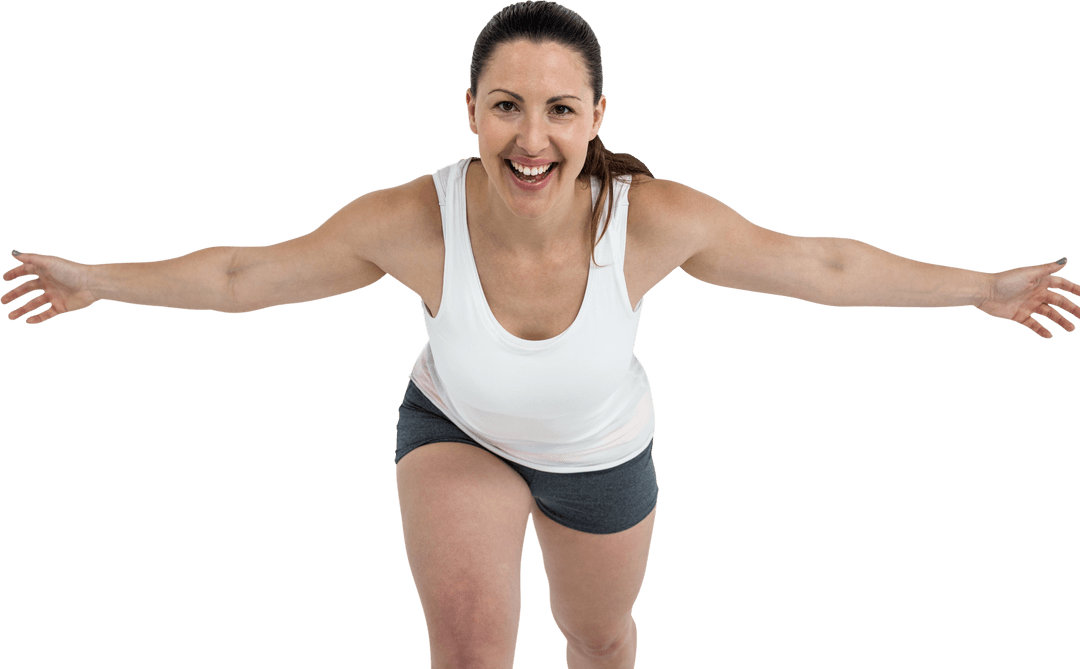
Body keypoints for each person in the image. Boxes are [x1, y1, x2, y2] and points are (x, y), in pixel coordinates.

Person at [3, 1, 1077, 667]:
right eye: (507, 105)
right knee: (471, 652)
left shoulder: (651, 221)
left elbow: (824, 265)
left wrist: (981, 286)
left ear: (597, 117)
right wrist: (97, 280)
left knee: (598, 642)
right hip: (456, 431)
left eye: (561, 110)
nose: (532, 135)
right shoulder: (409, 222)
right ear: (470, 109)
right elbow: (243, 276)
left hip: (601, 459)